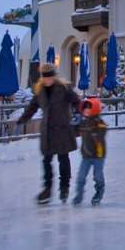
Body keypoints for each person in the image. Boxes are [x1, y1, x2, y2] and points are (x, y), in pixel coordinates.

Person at [16, 63, 82, 204]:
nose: (48, 80)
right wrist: (22, 120)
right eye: (46, 78)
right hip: (48, 132)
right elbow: (32, 107)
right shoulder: (40, 91)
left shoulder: (64, 89)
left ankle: (64, 187)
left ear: (54, 76)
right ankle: (47, 189)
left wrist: (80, 112)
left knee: (63, 159)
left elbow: (77, 101)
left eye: (50, 77)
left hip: (63, 129)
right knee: (46, 160)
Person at [73, 96, 108, 206]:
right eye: (85, 109)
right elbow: (75, 132)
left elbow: (101, 134)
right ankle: (79, 195)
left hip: (98, 156)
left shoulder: (100, 123)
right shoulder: (83, 123)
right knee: (81, 176)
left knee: (97, 176)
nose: (86, 111)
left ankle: (99, 193)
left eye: (88, 108)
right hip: (86, 155)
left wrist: (95, 131)